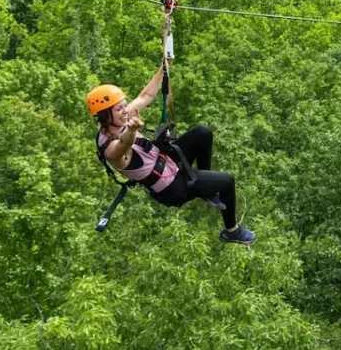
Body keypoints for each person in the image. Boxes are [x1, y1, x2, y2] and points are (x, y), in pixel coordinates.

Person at [87, 60, 255, 245]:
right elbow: (124, 145)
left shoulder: (118, 120)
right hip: (172, 187)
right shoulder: (111, 149)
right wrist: (132, 129)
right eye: (119, 109)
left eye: (124, 106)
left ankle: (207, 188)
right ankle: (231, 232)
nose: (125, 112)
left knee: (202, 132)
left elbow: (146, 95)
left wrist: (164, 67)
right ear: (105, 115)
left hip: (169, 161)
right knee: (227, 181)